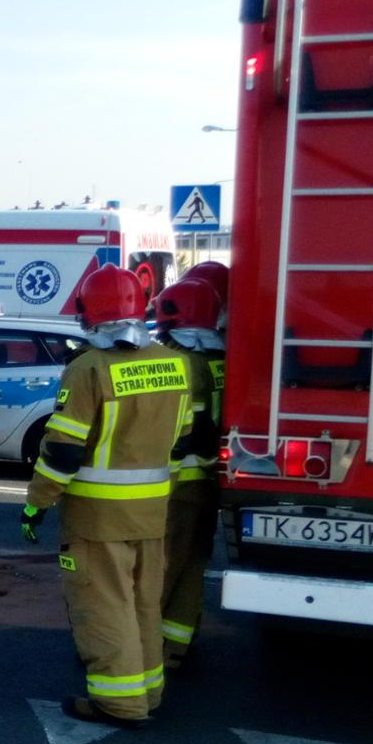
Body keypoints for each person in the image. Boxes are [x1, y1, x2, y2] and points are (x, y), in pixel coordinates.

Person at [20, 264, 191, 729]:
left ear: (88, 313)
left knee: (104, 607)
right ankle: (148, 693)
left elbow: (62, 452)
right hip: (152, 512)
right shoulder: (173, 363)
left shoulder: (88, 369)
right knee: (143, 605)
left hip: (97, 519)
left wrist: (37, 503)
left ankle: (120, 703)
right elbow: (181, 441)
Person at [153, 278, 226, 670]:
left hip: (177, 483)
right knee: (193, 565)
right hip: (210, 483)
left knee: (160, 569)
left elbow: (173, 429)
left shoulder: (178, 361)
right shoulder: (222, 358)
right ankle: (177, 644)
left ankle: (143, 650)